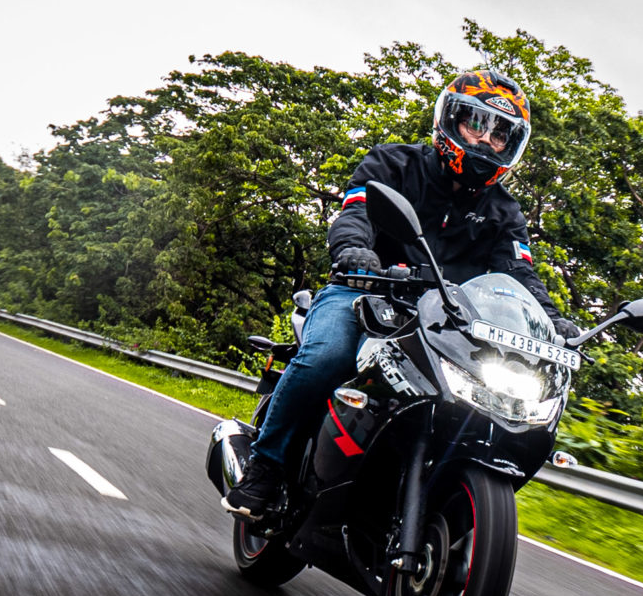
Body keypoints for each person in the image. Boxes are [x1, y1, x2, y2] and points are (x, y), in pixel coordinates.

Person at [222, 69, 580, 518]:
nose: (487, 140)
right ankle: (265, 467)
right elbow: (355, 214)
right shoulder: (393, 164)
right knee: (327, 357)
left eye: (500, 134)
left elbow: (519, 272)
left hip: (445, 321)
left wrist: (550, 320)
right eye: (477, 124)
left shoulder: (504, 210)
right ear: (450, 120)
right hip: (363, 294)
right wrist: (354, 250)